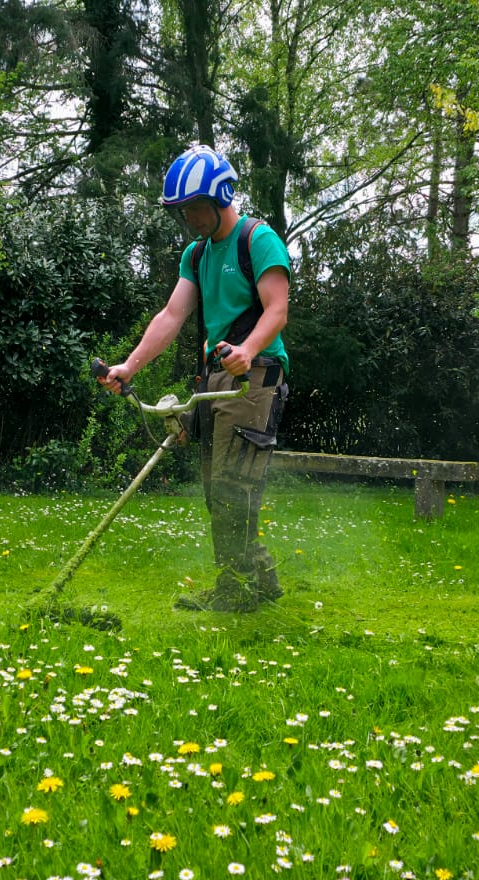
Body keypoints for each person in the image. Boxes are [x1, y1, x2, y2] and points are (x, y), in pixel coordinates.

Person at [98, 145, 291, 612]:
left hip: (254, 376)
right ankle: (258, 578)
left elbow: (277, 310)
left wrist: (247, 350)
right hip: (213, 377)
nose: (190, 219)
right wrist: (128, 366)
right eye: (183, 212)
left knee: (233, 485)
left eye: (196, 208)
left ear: (221, 195)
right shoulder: (196, 253)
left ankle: (236, 589)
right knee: (217, 486)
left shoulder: (258, 240)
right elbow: (172, 314)